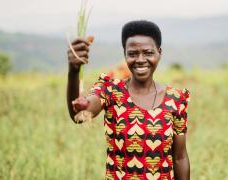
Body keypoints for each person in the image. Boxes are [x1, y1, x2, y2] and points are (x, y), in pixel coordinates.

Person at [67, 20, 191, 180]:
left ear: (159, 52)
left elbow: (180, 157)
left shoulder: (175, 99)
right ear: (124, 53)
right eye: (132, 53)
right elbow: (79, 115)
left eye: (148, 52)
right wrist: (73, 71)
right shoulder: (111, 91)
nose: (140, 59)